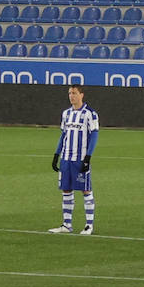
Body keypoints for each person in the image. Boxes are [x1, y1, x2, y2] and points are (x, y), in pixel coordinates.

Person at [48, 84, 97, 235]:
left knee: (86, 190)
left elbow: (94, 135)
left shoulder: (90, 114)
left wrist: (88, 158)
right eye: (70, 93)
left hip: (80, 159)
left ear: (81, 95)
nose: (71, 96)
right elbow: (63, 135)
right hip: (66, 159)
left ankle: (89, 225)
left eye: (74, 93)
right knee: (66, 190)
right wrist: (56, 155)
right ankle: (66, 225)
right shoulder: (66, 114)